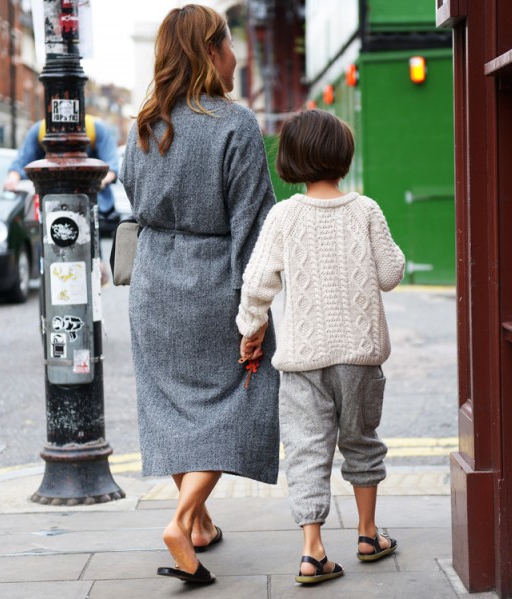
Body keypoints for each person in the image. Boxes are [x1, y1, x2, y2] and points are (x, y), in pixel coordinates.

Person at [119, 4, 280, 586]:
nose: (236, 55)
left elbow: (134, 200)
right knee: (240, 399)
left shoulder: (143, 127)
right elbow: (254, 227)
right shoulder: (235, 124)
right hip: (214, 285)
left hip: (153, 288)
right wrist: (254, 314)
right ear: (211, 51)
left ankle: (202, 525)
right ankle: (182, 520)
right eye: (230, 44)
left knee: (172, 408)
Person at [236, 109, 406, 585]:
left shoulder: (283, 215)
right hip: (360, 357)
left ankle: (312, 551)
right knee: (361, 441)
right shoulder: (366, 210)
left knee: (306, 450)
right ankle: (368, 535)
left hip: (302, 360)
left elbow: (257, 283)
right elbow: (391, 274)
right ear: (343, 156)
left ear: (290, 160)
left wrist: (251, 329)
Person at [3, 115, 121, 230]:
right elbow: (21, 162)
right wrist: (13, 179)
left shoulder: (95, 128)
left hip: (92, 204)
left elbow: (111, 166)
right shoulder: (40, 130)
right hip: (51, 203)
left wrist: (100, 181)